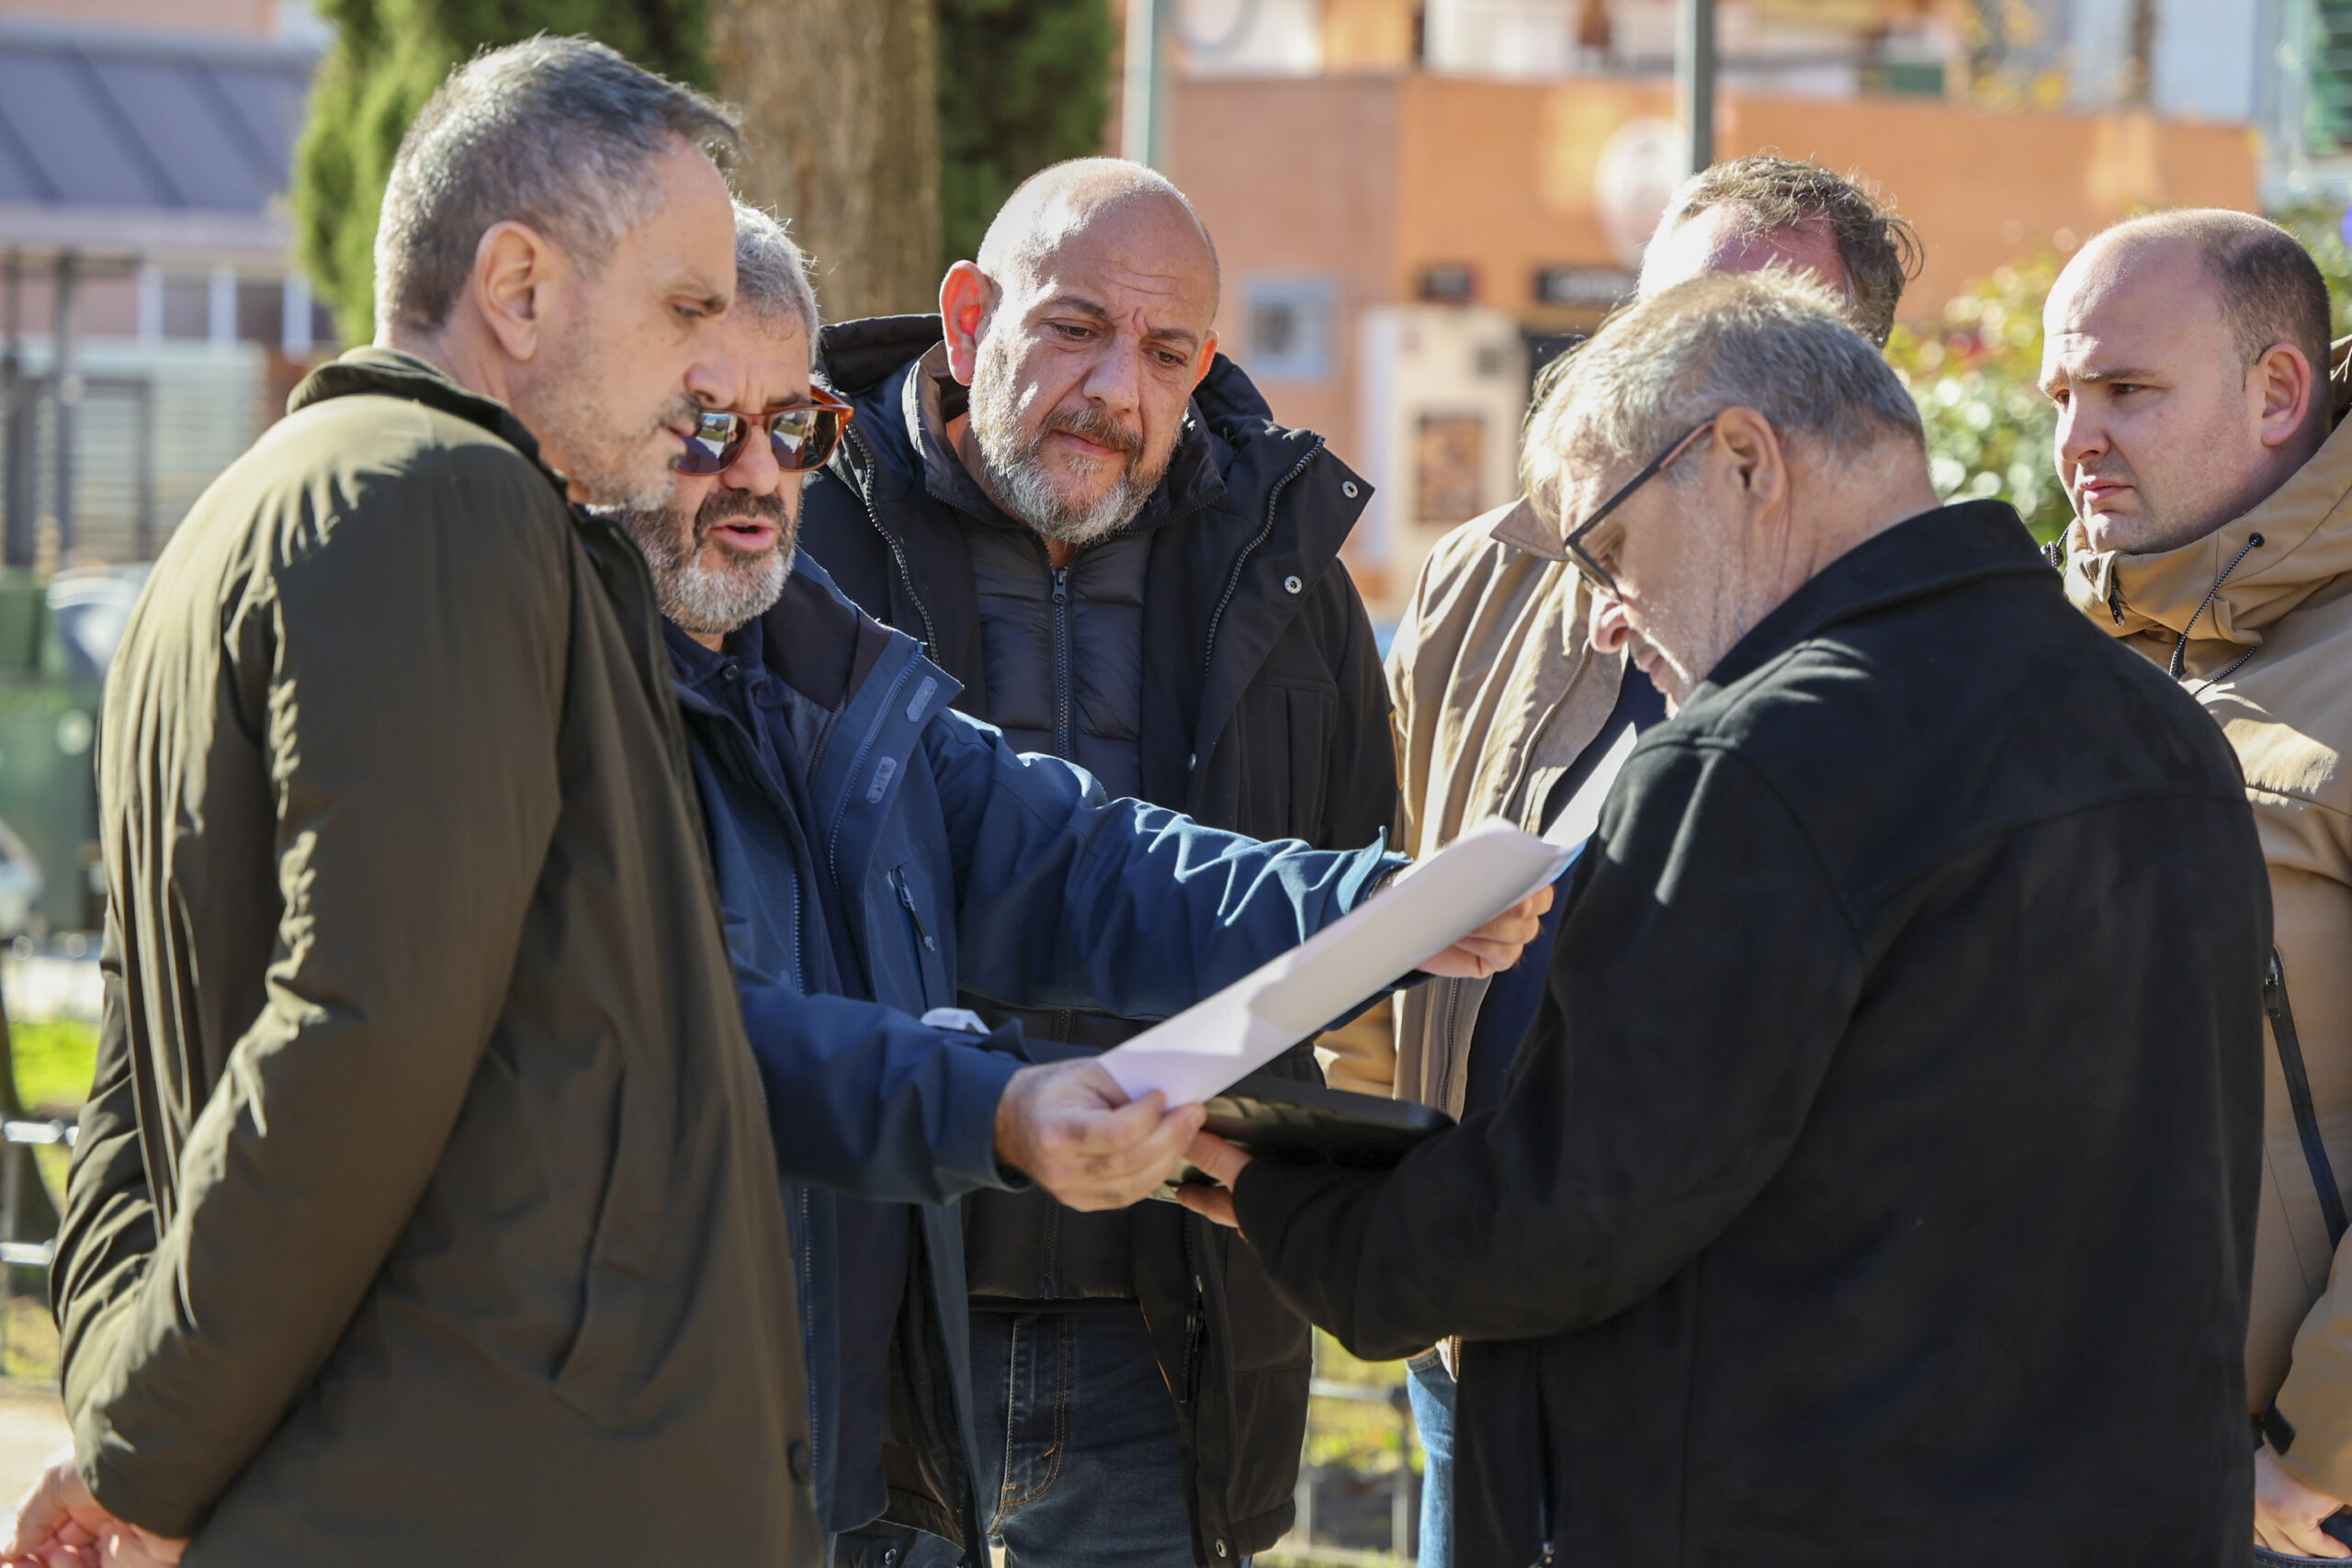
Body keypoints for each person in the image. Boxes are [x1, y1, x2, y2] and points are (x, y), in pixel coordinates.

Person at [1181, 270, 2271, 1565]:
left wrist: (1288, 1199)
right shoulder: (2159, 731)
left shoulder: (1750, 766)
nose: (1600, 611)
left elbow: (1567, 1218)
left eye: (1609, 547)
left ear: (1744, 460)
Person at [605, 204, 1544, 1566]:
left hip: (1069, 1361)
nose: (757, 477)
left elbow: (1075, 862)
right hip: (706, 1392)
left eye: (791, 429)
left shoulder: (800, 639)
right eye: (706, 427)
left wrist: (1374, 911)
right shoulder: (557, 662)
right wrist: (1000, 1105)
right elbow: (682, 1032)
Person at [0, 39, 826, 1568]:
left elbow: (136, 1079)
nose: (710, 374)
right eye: (685, 308)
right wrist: (143, 1451)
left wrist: (124, 1421)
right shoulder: (441, 497)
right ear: (518, 289)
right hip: (486, 1499)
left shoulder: (237, 522)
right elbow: (355, 1027)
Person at [799, 158, 1395, 1566]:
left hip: (1165, 1328)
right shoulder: (801, 534)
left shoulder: (1284, 566)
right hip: (870, 1320)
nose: (1116, 391)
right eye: (1074, 327)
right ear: (966, 320)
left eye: (1166, 351)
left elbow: (1338, 916)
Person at [1370, 155, 1919, 1566]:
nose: (1697, 374)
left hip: (1747, 1397)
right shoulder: (1484, 575)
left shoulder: (1932, 649)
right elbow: (1383, 880)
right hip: (1474, 1339)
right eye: (1673, 317)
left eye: (1765, 329)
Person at [2041, 209, 2352, 1563]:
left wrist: (2327, 1444)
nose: (2077, 439)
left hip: (2290, 1506)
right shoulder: (2048, 661)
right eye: (2062, 395)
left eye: (2126, 389)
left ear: (2280, 390)